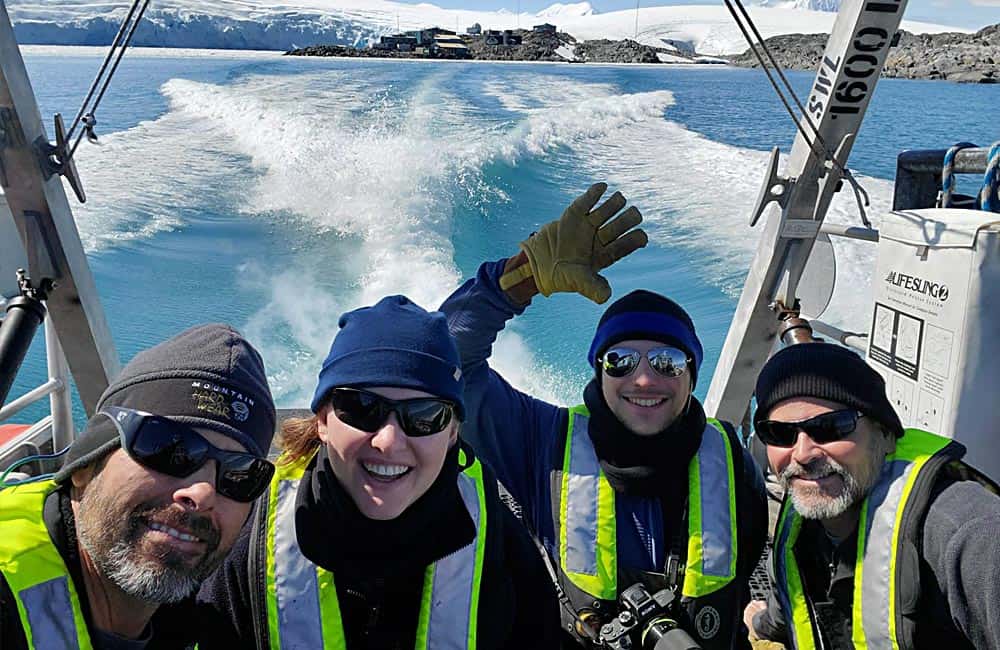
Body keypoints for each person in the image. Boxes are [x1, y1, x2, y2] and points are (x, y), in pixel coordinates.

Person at [439, 183, 768, 649]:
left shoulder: (734, 459)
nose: (644, 380)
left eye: (667, 362)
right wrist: (522, 277)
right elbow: (444, 362)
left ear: (692, 375)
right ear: (598, 372)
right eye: (621, 361)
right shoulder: (545, 443)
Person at [194, 295, 560, 649]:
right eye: (361, 407)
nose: (388, 441)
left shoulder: (495, 530)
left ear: (452, 433)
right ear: (322, 420)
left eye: (424, 416)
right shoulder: (250, 535)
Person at [0, 323, 277, 650]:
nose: (202, 493)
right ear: (86, 464)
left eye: (240, 474)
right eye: (168, 449)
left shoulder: (202, 616)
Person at [743, 342, 1000, 650]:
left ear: (886, 434)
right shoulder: (802, 526)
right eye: (780, 433)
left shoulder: (969, 533)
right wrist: (760, 624)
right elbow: (792, 607)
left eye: (830, 427)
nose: (803, 453)